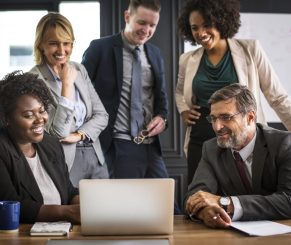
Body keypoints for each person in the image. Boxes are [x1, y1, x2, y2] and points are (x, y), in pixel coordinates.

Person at [175, 0, 291, 185]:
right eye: (195, 28)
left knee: (242, 193)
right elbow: (180, 92)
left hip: (240, 132)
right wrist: (183, 110)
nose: (201, 33)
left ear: (221, 20)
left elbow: (277, 96)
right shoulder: (187, 59)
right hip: (201, 133)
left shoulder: (250, 50)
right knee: (200, 193)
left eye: (207, 25)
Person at [81, 0, 169, 179]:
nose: (147, 30)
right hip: (117, 144)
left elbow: (161, 98)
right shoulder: (99, 48)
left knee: (166, 203)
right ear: (127, 16)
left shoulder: (155, 54)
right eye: (142, 22)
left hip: (151, 146)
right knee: (127, 204)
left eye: (152, 25)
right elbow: (81, 93)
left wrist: (162, 118)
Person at [184, 83, 291, 228]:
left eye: (226, 117)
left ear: (250, 117)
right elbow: (196, 196)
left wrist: (227, 203)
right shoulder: (211, 149)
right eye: (213, 118)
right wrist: (206, 211)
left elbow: (288, 200)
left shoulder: (284, 144)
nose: (217, 127)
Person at [30, 13, 109, 187]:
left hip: (95, 156)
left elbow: (102, 115)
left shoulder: (79, 69)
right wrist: (66, 85)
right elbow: (58, 133)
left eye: (67, 43)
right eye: (53, 43)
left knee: (105, 212)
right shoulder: (34, 79)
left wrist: (79, 134)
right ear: (41, 45)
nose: (61, 50)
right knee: (73, 213)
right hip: (65, 161)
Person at [0, 71, 80, 224]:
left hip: (60, 232)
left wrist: (91, 203)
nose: (40, 119)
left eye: (42, 111)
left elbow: (68, 192)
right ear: (7, 118)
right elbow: (11, 205)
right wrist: (67, 212)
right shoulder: (3, 150)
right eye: (29, 115)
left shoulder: (51, 144)